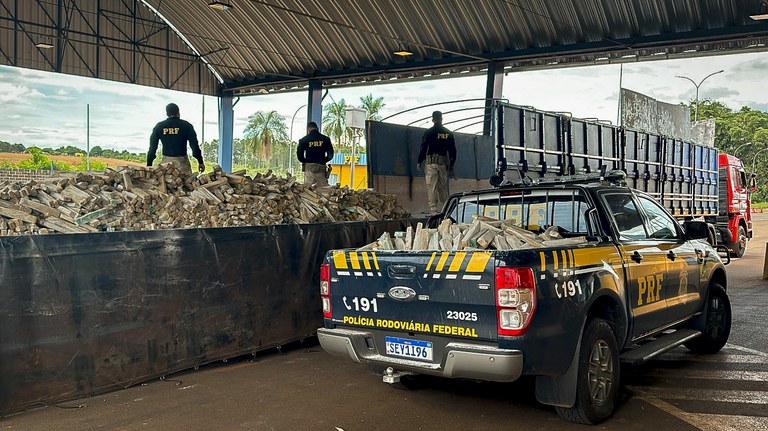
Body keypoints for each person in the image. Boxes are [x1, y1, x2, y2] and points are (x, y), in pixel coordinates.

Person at [417, 111, 457, 213]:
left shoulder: (429, 132)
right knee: (443, 186)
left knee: (432, 185)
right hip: (442, 163)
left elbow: (423, 147)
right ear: (441, 119)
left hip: (431, 163)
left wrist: (419, 161)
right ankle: (445, 208)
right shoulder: (448, 133)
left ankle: (433, 210)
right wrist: (451, 164)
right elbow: (453, 150)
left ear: (433, 119)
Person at [147, 103, 205, 174]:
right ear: (178, 112)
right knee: (186, 183)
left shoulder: (159, 126)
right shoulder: (186, 126)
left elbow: (152, 147)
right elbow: (194, 146)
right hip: (182, 163)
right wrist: (200, 162)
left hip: (166, 165)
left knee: (166, 183)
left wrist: (149, 164)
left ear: (167, 113)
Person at [296, 121, 334, 186]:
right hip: (321, 166)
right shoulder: (326, 139)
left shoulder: (304, 140)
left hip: (309, 166)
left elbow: (299, 155)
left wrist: (306, 161)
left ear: (308, 129)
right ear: (317, 128)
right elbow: (330, 155)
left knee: (308, 188)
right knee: (322, 187)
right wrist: (324, 160)